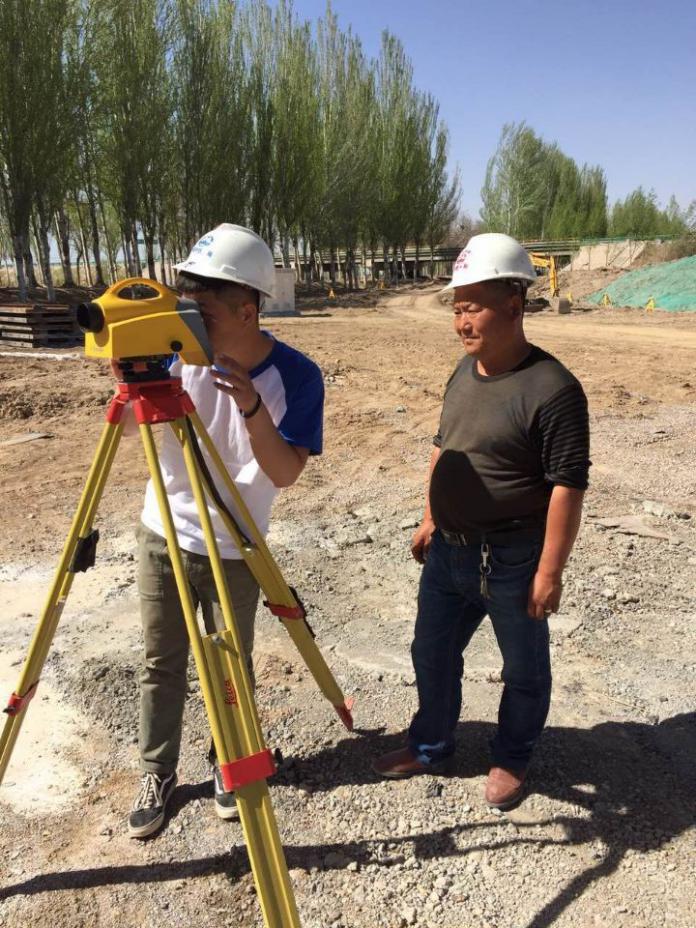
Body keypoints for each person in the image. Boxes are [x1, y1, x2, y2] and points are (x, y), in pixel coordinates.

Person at [373, 233, 590, 810]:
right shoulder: (464, 372)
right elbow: (443, 446)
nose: (461, 323)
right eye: (456, 309)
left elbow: (568, 487)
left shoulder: (554, 389)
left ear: (513, 306)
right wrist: (429, 516)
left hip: (513, 558)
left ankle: (511, 757)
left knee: (523, 669)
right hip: (448, 552)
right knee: (431, 652)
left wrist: (550, 572)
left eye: (472, 308)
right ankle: (431, 745)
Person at [126, 224, 324, 838]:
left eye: (203, 312)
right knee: (161, 661)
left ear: (246, 309)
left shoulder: (297, 376)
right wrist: (133, 374)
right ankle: (156, 770)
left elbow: (285, 473)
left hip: (236, 546)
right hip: (163, 532)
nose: (190, 322)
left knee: (230, 666)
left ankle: (227, 759)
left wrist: (252, 407)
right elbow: (130, 427)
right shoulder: (173, 353)